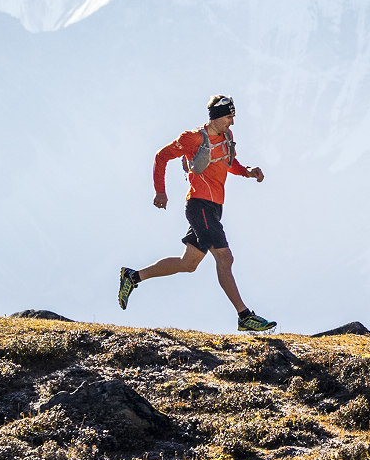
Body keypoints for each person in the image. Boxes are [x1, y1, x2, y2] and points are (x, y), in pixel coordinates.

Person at [117, 94, 276, 332]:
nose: (232, 122)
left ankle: (133, 277)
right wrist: (160, 191)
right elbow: (161, 157)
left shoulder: (227, 137)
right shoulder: (192, 139)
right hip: (199, 205)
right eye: (229, 117)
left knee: (188, 263)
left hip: (214, 208)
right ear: (216, 116)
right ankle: (244, 316)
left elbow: (229, 163)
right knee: (225, 258)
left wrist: (248, 171)